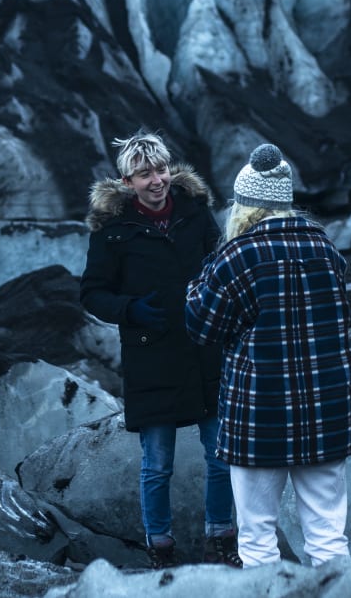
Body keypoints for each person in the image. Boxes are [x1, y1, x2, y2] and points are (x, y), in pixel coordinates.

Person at [184, 142, 351, 568]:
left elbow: (201, 326)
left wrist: (204, 273)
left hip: (260, 414)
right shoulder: (326, 251)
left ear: (245, 206)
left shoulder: (237, 256)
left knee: (257, 539)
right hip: (325, 411)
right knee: (329, 537)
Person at [80, 129, 240, 568]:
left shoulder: (195, 214)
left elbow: (221, 268)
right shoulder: (113, 232)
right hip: (151, 356)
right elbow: (92, 293)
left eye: (162, 169)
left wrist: (219, 306)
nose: (157, 180)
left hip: (204, 349)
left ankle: (220, 540)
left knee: (221, 455)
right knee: (157, 465)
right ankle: (161, 548)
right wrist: (131, 309)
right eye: (144, 173)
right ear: (127, 181)